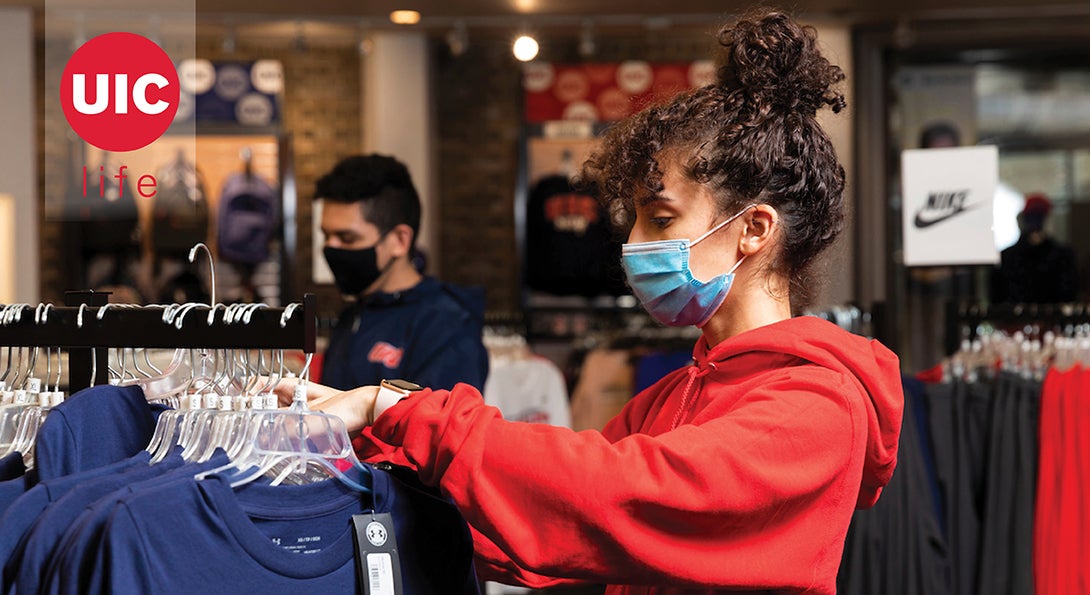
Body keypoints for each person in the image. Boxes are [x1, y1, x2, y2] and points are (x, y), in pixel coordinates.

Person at [285, 11, 903, 594]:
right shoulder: (669, 396)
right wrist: (362, 462)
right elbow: (557, 528)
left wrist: (396, 408)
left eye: (660, 219)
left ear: (755, 229)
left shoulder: (818, 407)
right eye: (634, 220)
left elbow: (614, 495)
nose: (634, 245)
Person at [315, 153, 489, 392]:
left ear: (399, 240)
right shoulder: (352, 316)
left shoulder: (446, 326)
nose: (331, 248)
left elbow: (439, 426)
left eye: (347, 238)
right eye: (326, 236)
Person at [991, 192, 1078, 304]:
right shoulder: (1007, 257)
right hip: (1017, 320)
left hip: (1051, 319)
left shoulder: (1063, 257)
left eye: (1039, 217)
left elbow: (1068, 294)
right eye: (1032, 217)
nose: (1036, 223)